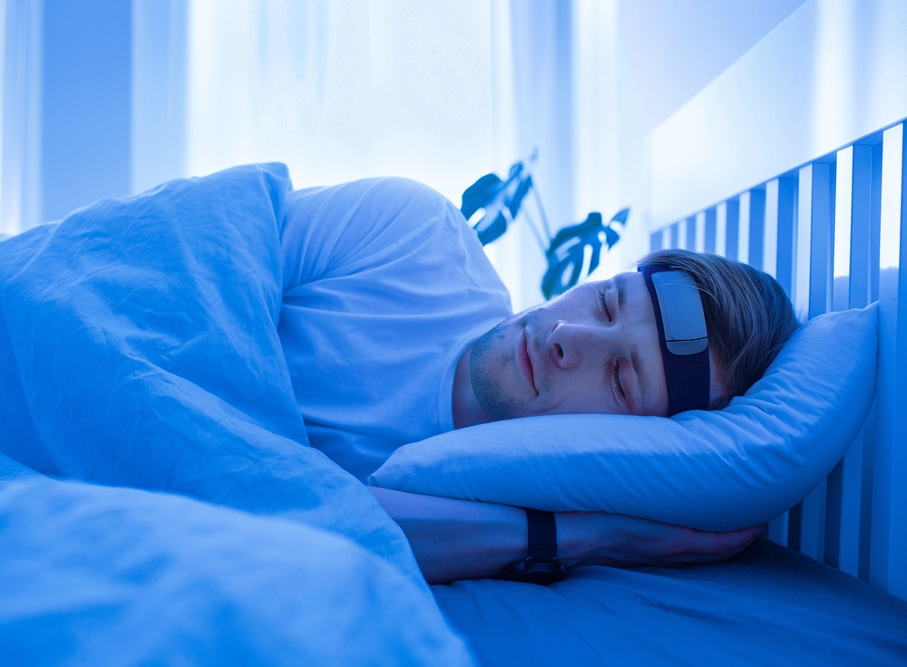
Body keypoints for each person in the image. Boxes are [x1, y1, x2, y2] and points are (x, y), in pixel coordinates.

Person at [277, 175, 798, 584]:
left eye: (620, 380)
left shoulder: (495, 510)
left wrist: (582, 537)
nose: (569, 335)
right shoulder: (411, 232)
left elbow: (293, 528)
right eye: (605, 302)